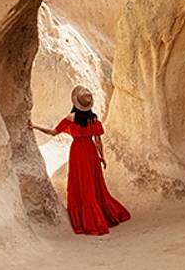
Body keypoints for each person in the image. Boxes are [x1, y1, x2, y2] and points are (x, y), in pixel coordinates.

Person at [30, 85, 132, 236]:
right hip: (90, 152)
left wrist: (35, 127)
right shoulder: (94, 118)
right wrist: (101, 156)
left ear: (75, 102)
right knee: (93, 184)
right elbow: (98, 140)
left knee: (81, 184)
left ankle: (89, 221)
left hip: (78, 152)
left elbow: (53, 133)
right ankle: (100, 216)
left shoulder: (70, 119)